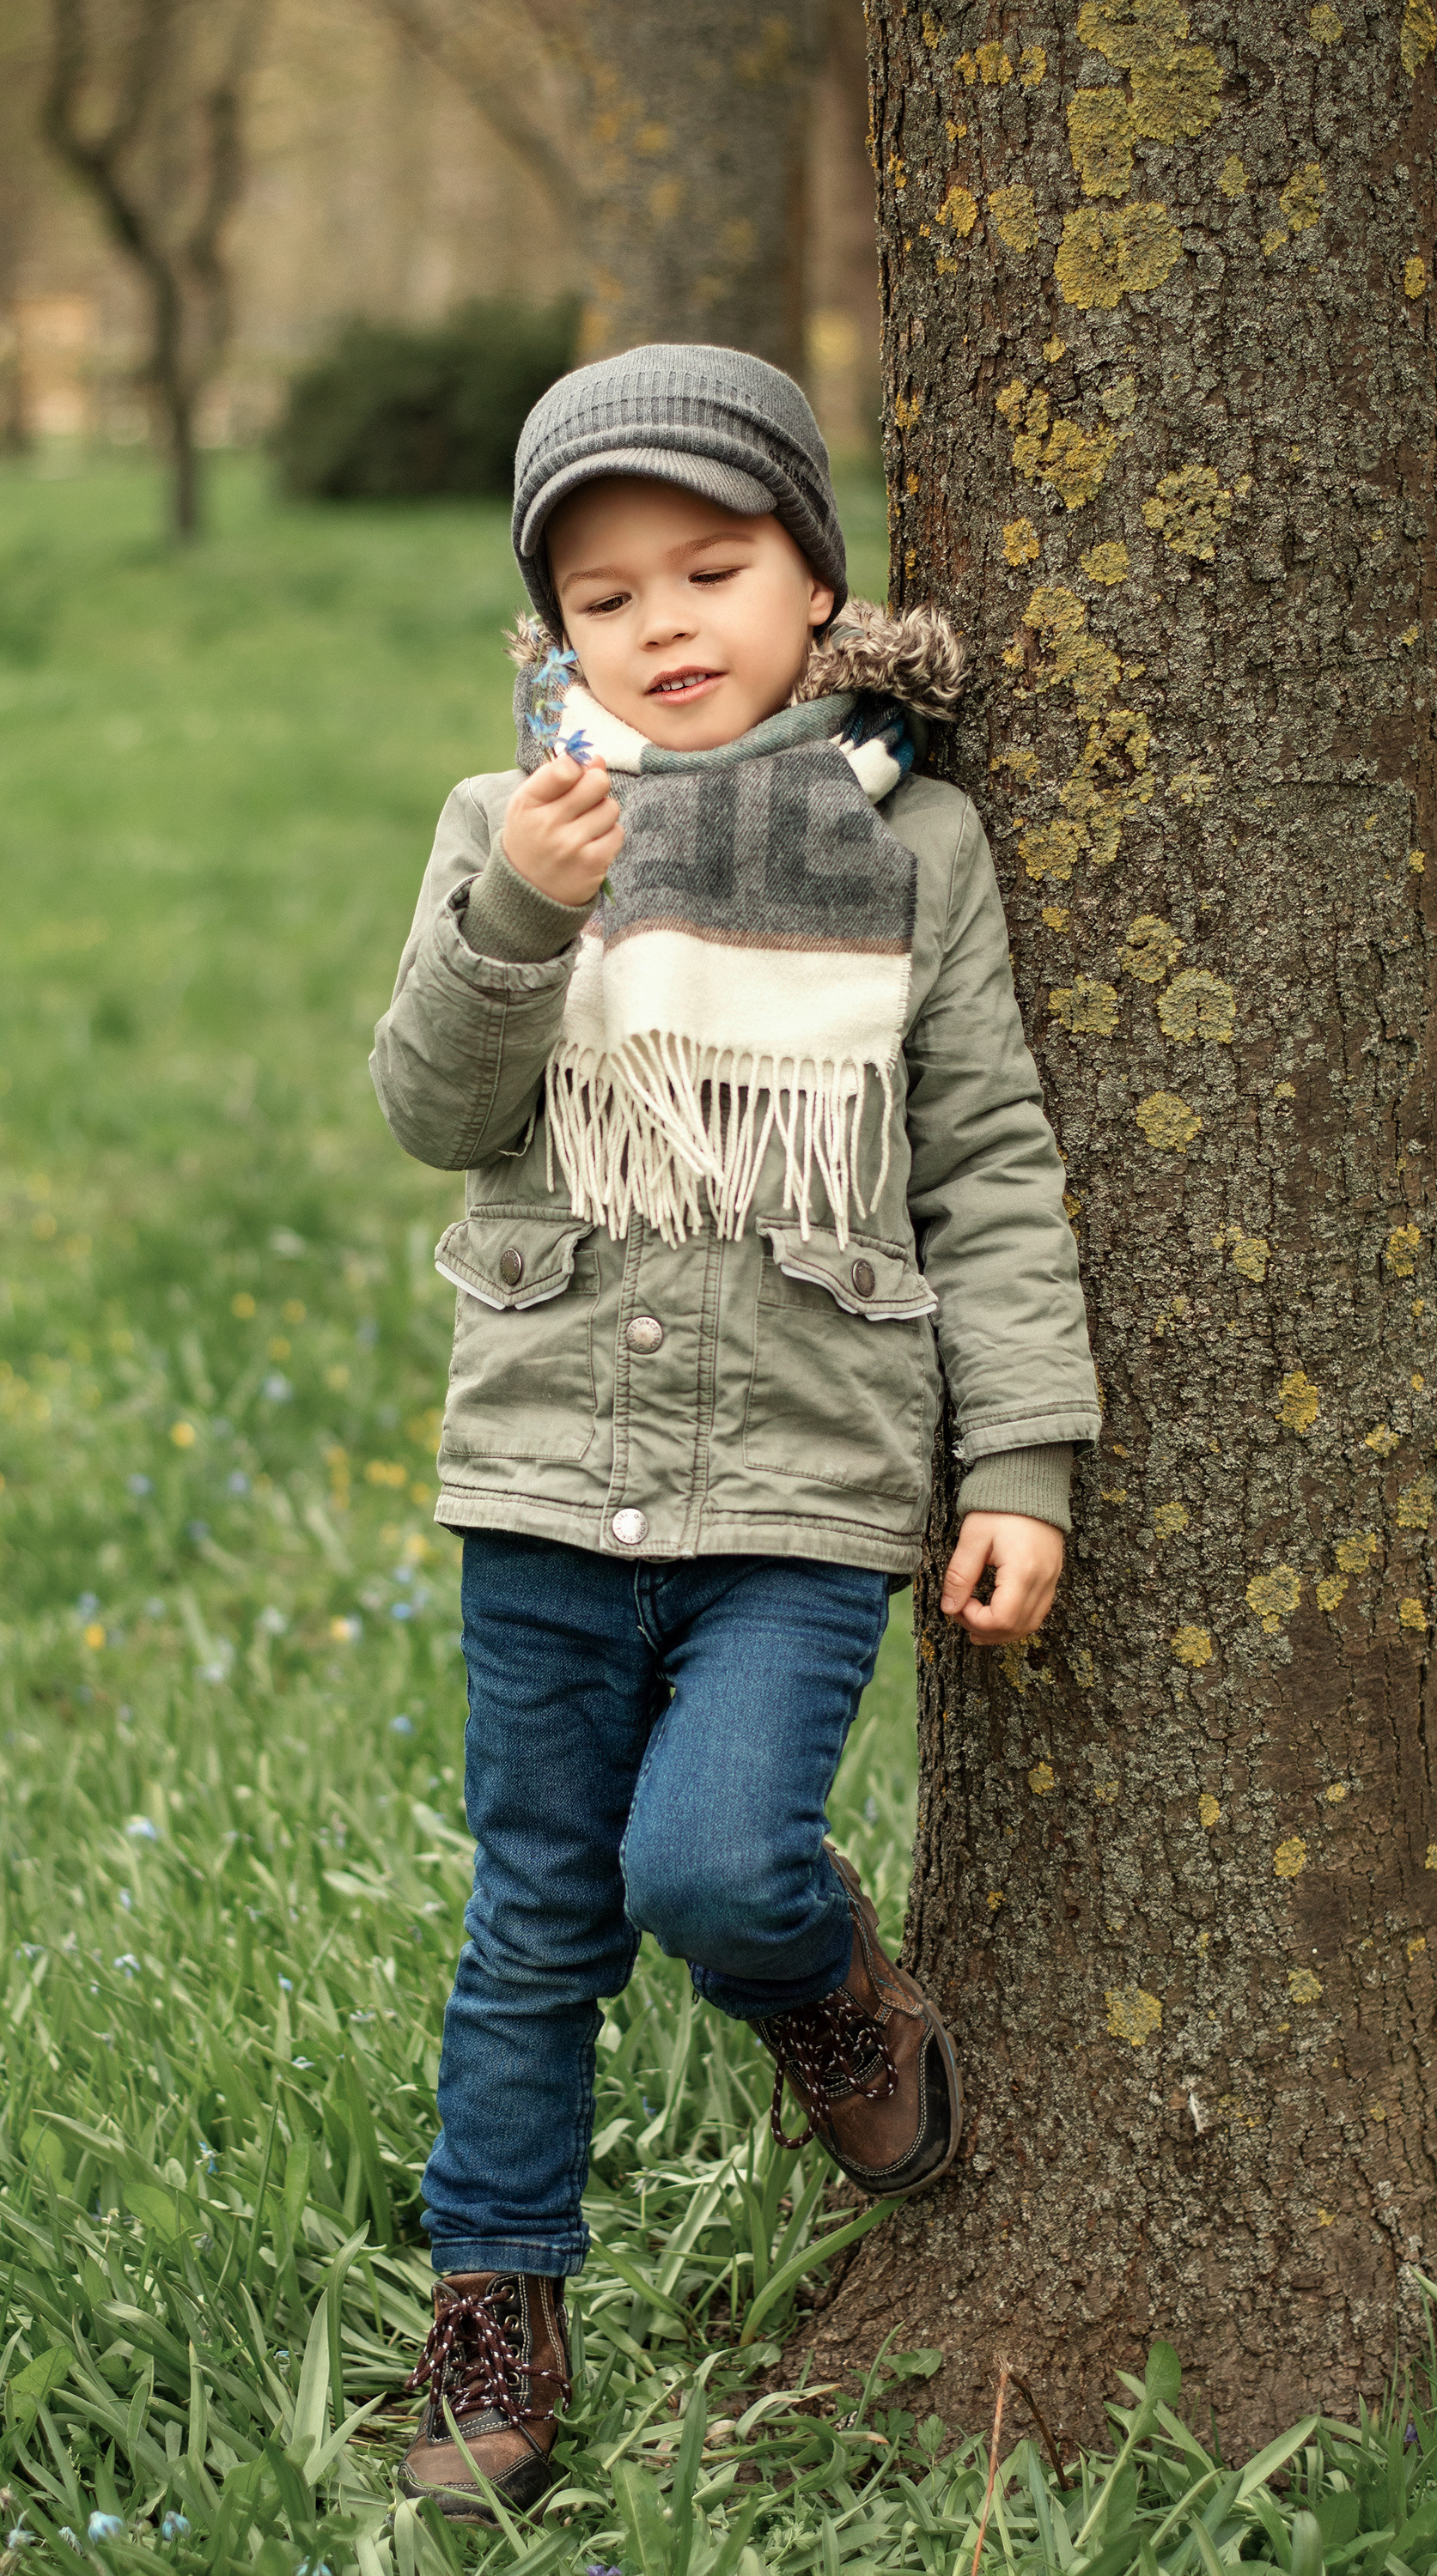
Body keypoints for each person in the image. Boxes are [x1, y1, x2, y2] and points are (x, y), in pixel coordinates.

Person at [369, 344, 1098, 2523]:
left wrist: (1022, 1466)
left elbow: (984, 1161)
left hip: (802, 1471)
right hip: (549, 1463)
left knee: (702, 1864)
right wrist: (523, 914)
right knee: (533, 1920)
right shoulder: (511, 827)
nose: (664, 625)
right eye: (605, 597)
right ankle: (496, 2297)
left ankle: (826, 1990)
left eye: (714, 566)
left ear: (814, 578)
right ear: (552, 631)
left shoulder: (908, 841)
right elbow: (432, 1112)